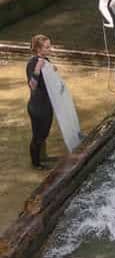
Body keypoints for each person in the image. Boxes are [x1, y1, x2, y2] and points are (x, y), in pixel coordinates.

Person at [26, 34, 55, 170]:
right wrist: (37, 69)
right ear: (38, 49)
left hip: (47, 104)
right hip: (37, 106)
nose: (50, 49)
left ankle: (42, 156)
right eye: (47, 47)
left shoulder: (46, 60)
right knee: (38, 135)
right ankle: (35, 163)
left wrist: (53, 70)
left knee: (45, 133)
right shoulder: (32, 63)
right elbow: (32, 85)